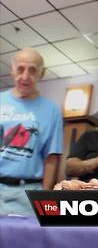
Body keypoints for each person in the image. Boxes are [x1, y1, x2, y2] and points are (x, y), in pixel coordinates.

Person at [0, 48, 63, 215]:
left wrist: (45, 197)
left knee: (26, 241)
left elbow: (52, 157)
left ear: (42, 74)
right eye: (20, 69)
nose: (25, 76)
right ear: (12, 71)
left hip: (29, 193)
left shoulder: (52, 110)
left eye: (32, 70)